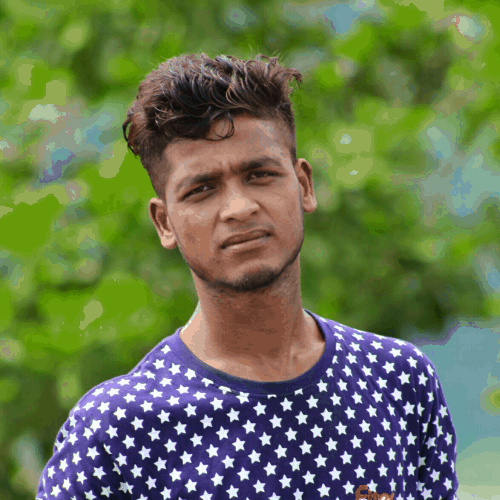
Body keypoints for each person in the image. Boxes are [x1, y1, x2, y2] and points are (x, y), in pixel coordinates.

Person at [37, 53, 459, 500]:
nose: (239, 208)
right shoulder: (115, 432)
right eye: (201, 189)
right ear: (164, 223)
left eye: (259, 174)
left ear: (303, 185)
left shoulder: (398, 382)